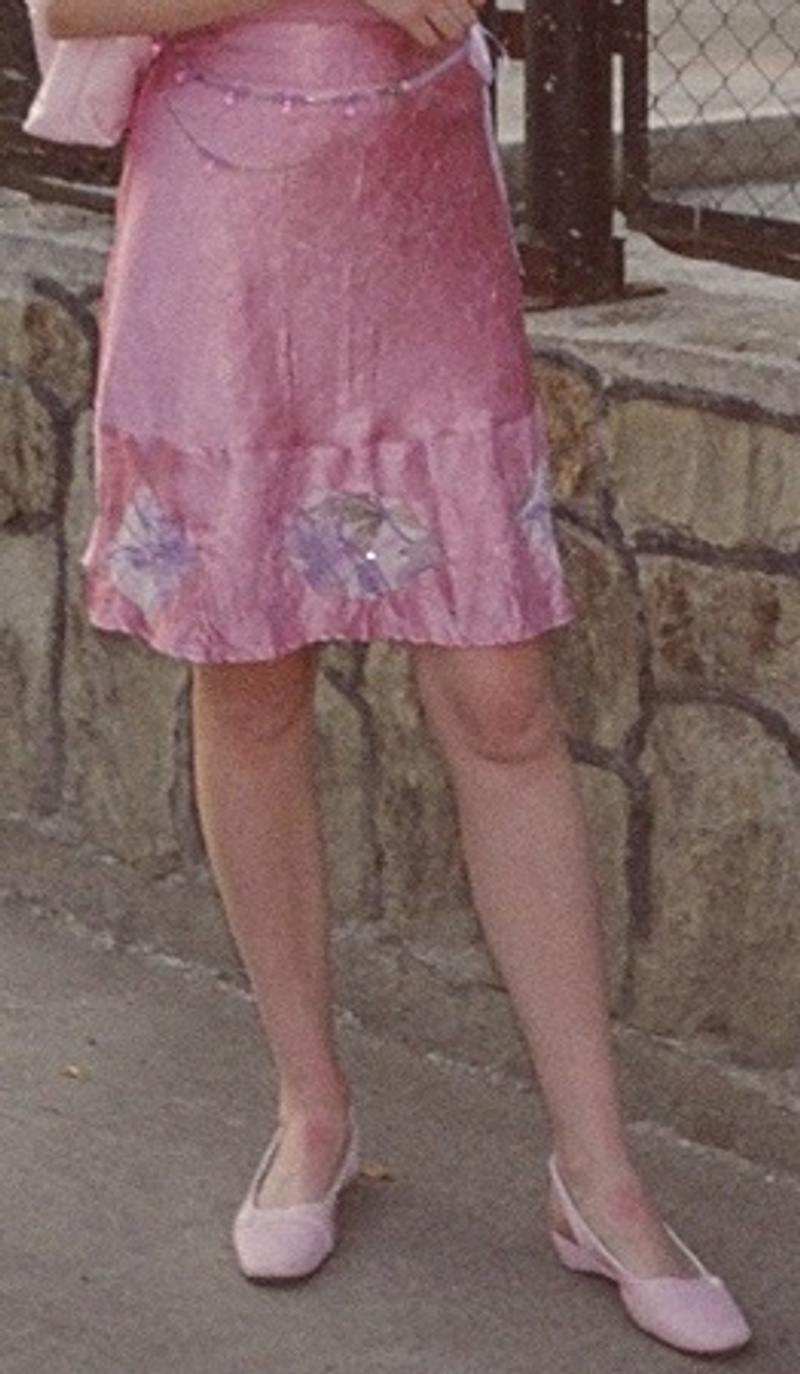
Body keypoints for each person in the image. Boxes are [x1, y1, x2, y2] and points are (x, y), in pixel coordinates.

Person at [46, 0, 750, 1356]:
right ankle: (311, 1108)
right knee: (253, 687)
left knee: (504, 702)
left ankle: (599, 1176)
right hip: (222, 227)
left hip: (417, 218)